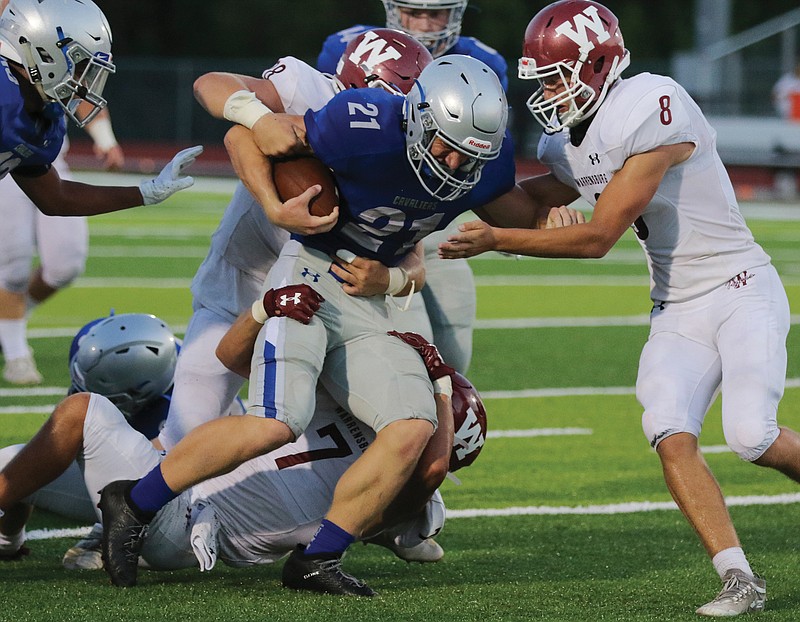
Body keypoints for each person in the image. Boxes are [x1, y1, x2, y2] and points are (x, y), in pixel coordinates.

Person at [101, 54, 581, 596]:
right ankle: (133, 504)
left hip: (367, 303)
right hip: (310, 279)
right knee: (277, 421)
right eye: (446, 144)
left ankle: (319, 557)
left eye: (469, 154)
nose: (453, 163)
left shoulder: (482, 165)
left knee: (411, 426)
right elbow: (244, 136)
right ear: (419, 117)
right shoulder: (364, 123)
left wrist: (560, 213)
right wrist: (273, 207)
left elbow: (521, 211)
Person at [439, 1, 798, 616]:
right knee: (667, 429)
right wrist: (469, 180)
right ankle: (739, 577)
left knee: (750, 435)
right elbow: (529, 206)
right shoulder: (569, 135)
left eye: (558, 75)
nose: (550, 90)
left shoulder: (653, 104)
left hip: (740, 288)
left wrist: (498, 240)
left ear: (600, 62)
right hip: (676, 306)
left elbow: (599, 235)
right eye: (544, 78)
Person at [0, 307, 483, 577]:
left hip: (180, 521)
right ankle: (8, 535)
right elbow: (419, 534)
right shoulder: (402, 495)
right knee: (20, 462)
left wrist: (438, 386)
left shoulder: (412, 485)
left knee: (80, 412)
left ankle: (63, 524)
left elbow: (429, 472)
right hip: (173, 487)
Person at [158, 29, 432, 451]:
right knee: (185, 435)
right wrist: (261, 124)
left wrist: (389, 280)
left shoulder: (410, 147)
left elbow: (414, 258)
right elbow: (212, 90)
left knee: (319, 444)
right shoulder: (311, 94)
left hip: (324, 312)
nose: (397, 117)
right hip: (241, 286)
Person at [316, 0, 509, 375]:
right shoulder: (352, 46)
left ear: (455, 14)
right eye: (412, 12)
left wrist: (510, 221)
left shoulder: (478, 62)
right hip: (375, 217)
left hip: (440, 218)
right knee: (411, 346)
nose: (423, 23)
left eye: (434, 13)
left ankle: (447, 426)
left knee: (453, 345)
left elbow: (483, 157)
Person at [0, 0, 202, 217]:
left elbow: (56, 198)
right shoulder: (6, 96)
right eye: (80, 70)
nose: (84, 86)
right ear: (44, 54)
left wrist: (146, 193)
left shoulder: (41, 118)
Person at [0, 104, 125, 385]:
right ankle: (15, 353)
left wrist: (105, 139)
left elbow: (81, 89)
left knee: (65, 264)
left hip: (49, 159)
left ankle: (8, 323)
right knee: (13, 267)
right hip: (4, 161)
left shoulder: (49, 58)